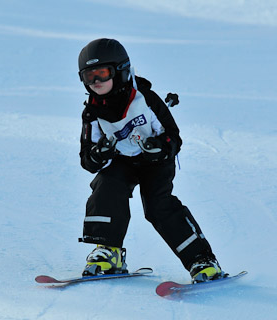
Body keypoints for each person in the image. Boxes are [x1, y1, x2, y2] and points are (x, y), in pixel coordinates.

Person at [77, 38, 226, 283]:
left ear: (121, 70)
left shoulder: (143, 98)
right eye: (89, 76)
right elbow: (87, 159)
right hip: (122, 160)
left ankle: (202, 260)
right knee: (106, 186)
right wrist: (99, 154)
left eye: (102, 74)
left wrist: (159, 148)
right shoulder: (92, 111)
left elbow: (174, 138)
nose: (96, 82)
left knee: (158, 206)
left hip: (155, 161)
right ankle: (109, 252)